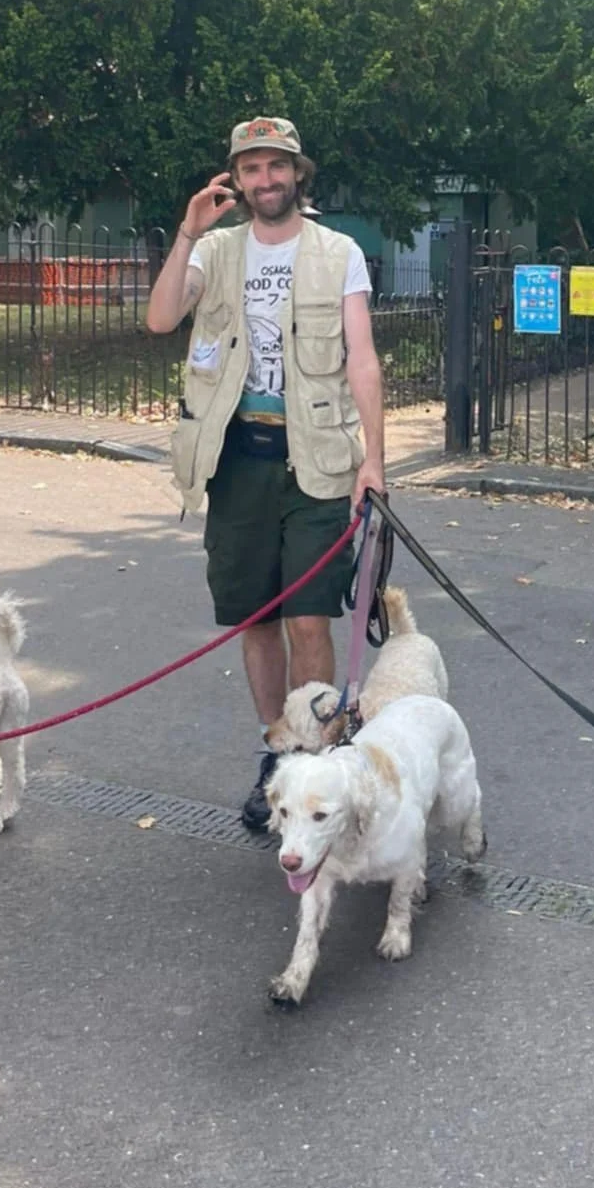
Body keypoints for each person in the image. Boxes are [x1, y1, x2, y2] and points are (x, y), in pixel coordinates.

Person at [146, 116, 385, 828]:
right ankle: (278, 759)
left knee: (309, 617)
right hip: (236, 461)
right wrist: (186, 231)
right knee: (255, 617)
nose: (265, 180)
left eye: (276, 166)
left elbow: (363, 359)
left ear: (297, 173)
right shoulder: (215, 251)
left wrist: (374, 459)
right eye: (250, 169)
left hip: (314, 460)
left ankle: (318, 764)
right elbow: (161, 320)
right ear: (237, 179)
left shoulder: (339, 252)